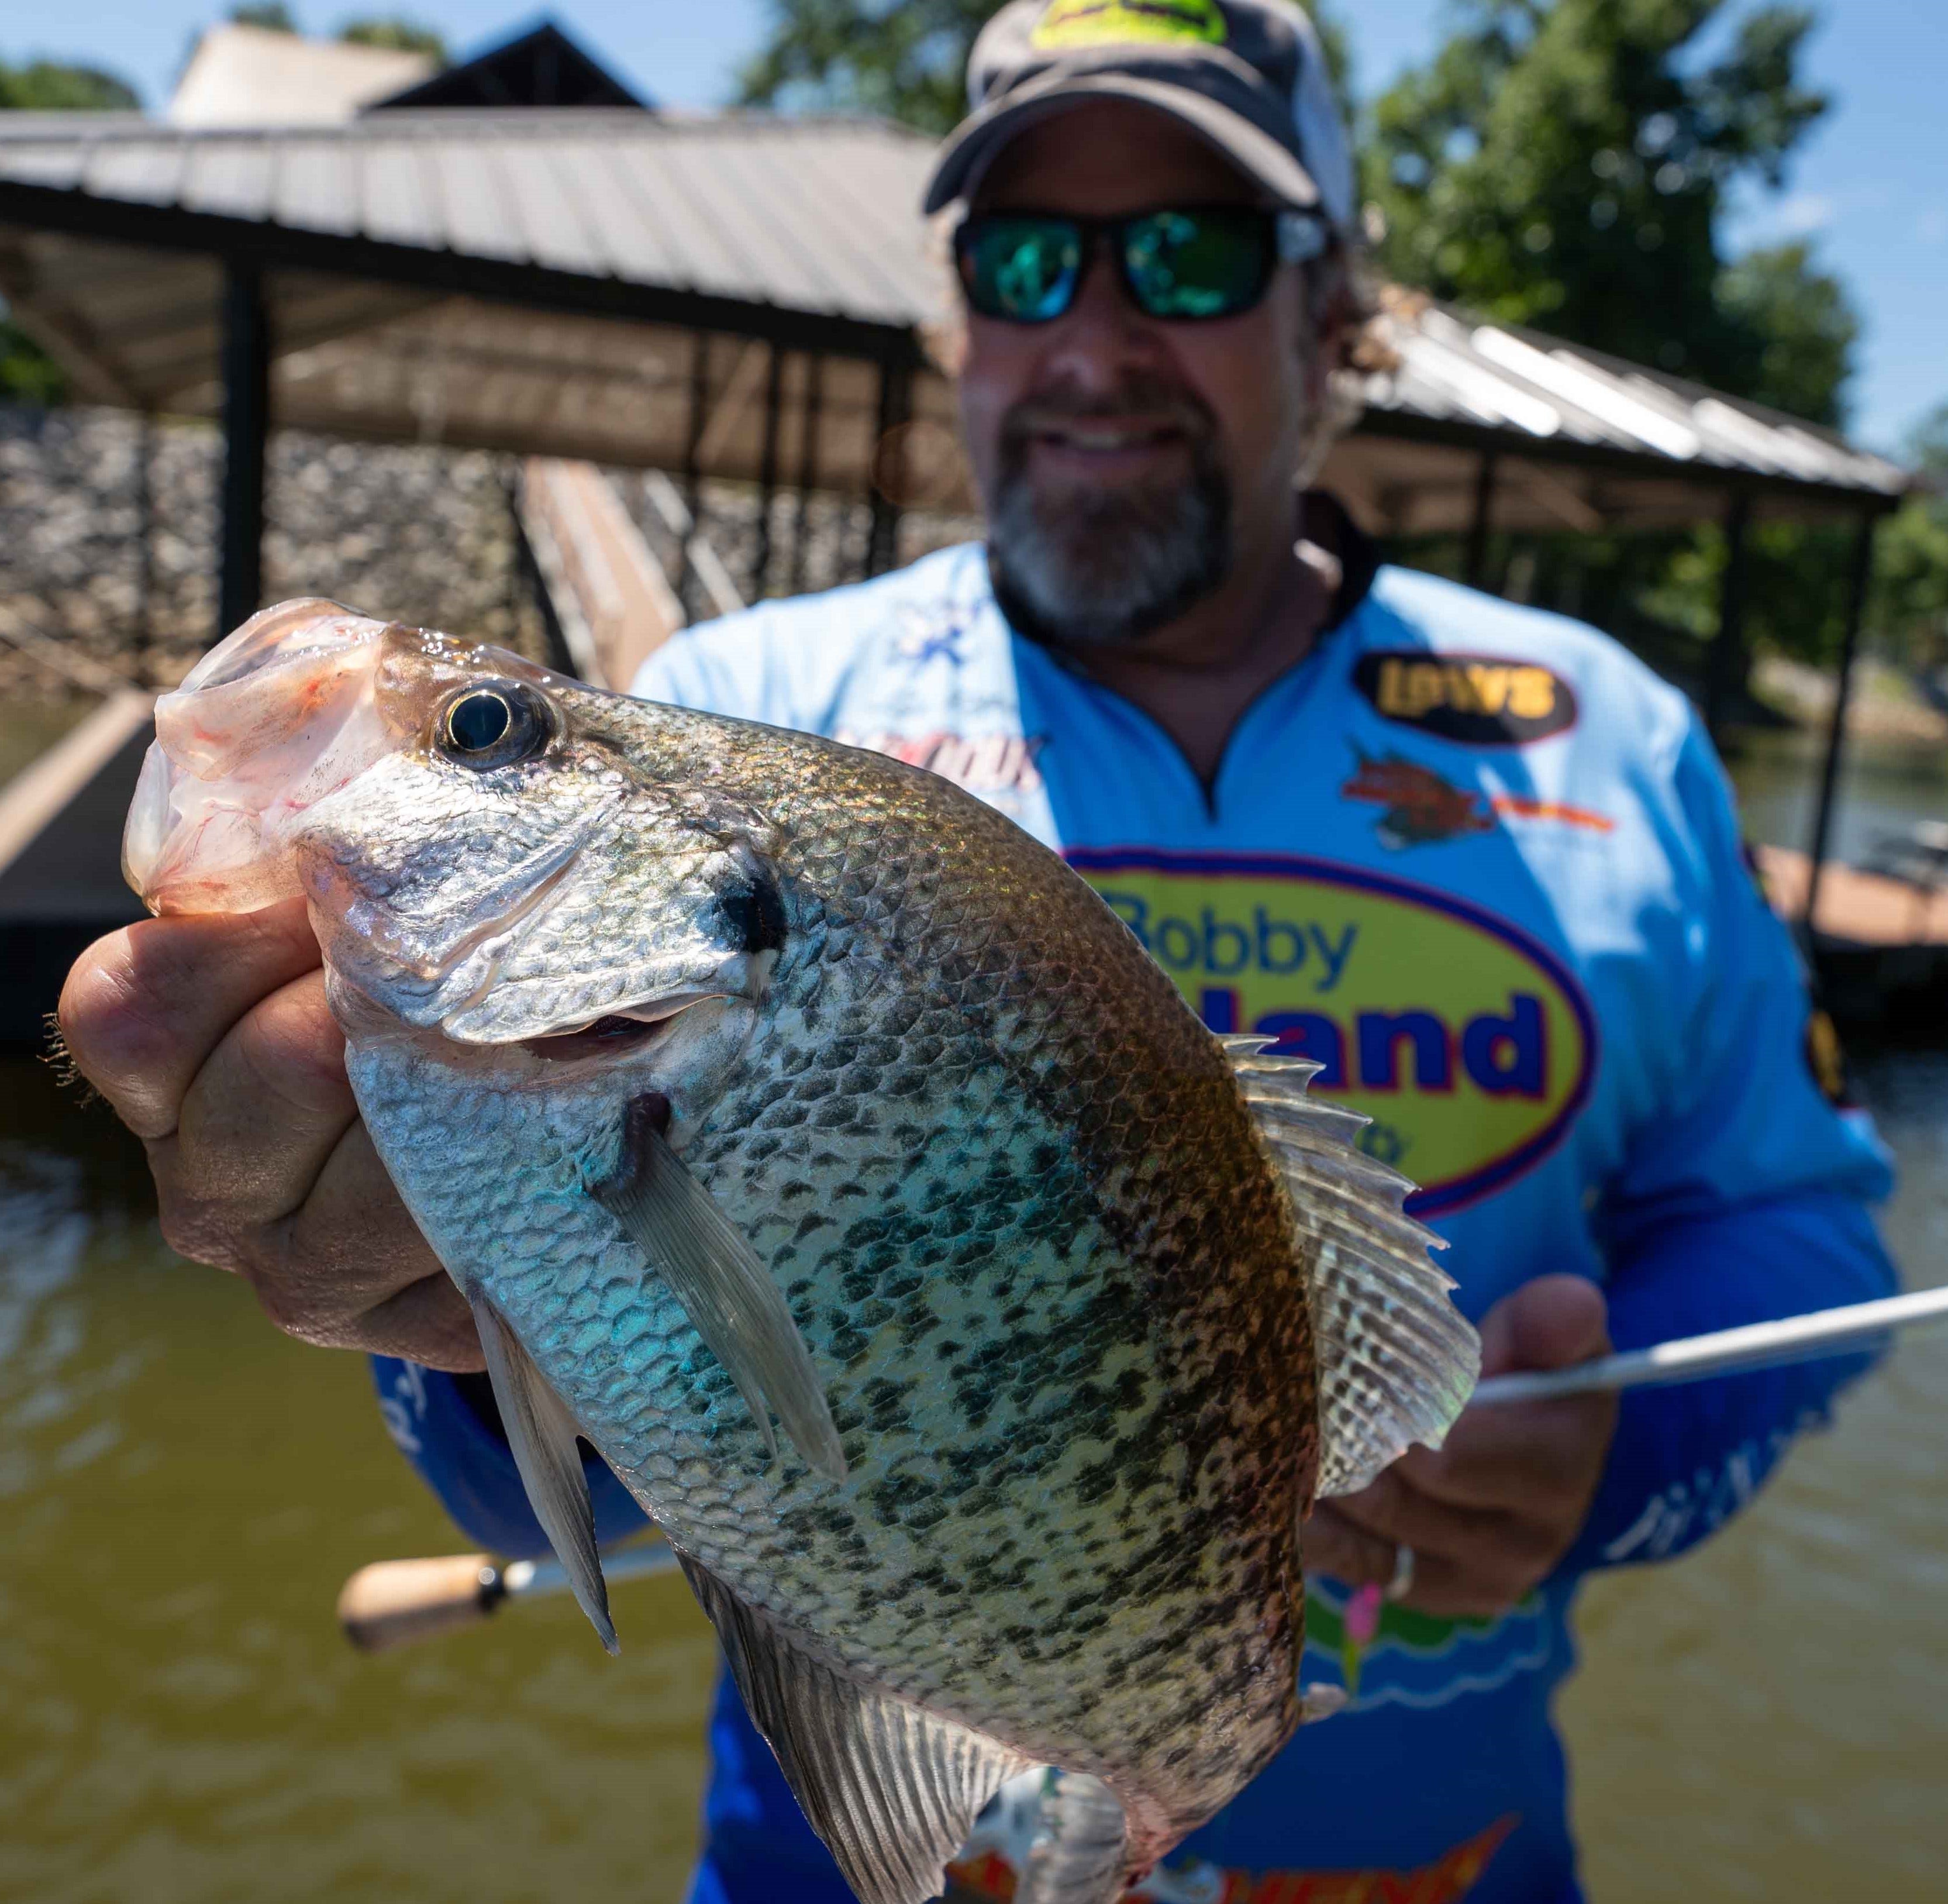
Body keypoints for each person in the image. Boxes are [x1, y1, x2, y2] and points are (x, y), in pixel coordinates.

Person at [59, 2, 1896, 1899]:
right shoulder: (750, 702)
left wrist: (1617, 1445)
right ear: (954, 321)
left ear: (1336, 311)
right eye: (1024, 261)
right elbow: (552, 1468)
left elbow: (1799, 1224)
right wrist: (428, 1306)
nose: (1094, 339)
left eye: (1188, 253)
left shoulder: (1609, 739)